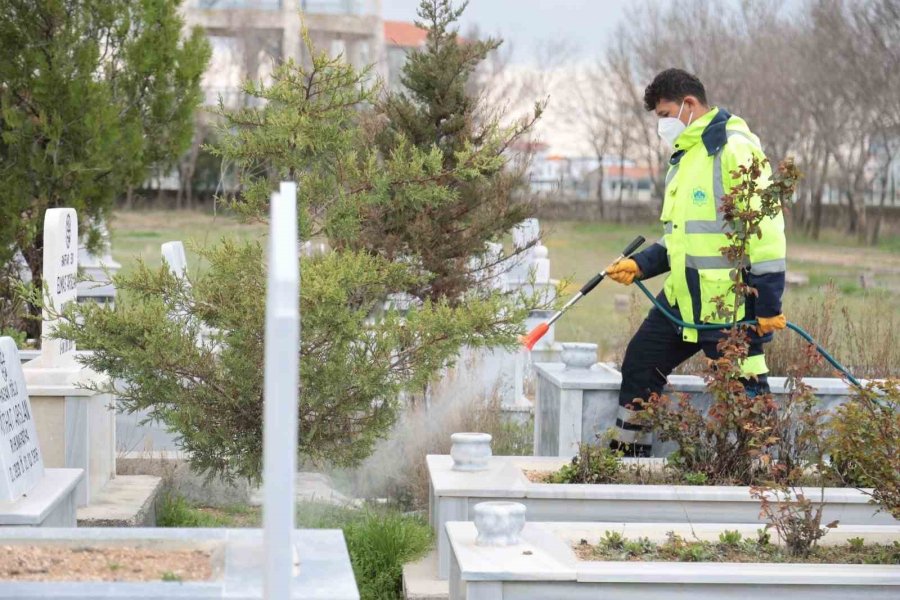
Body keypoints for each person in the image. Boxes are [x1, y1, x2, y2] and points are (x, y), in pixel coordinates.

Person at [605, 68, 787, 457]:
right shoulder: (684, 158)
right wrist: (641, 265)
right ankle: (628, 463)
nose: (662, 126)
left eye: (664, 115)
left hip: (730, 306)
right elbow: (681, 241)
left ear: (688, 104)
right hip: (683, 300)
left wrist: (768, 306)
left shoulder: (734, 148)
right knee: (640, 365)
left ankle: (770, 479)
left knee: (746, 393)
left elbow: (767, 233)